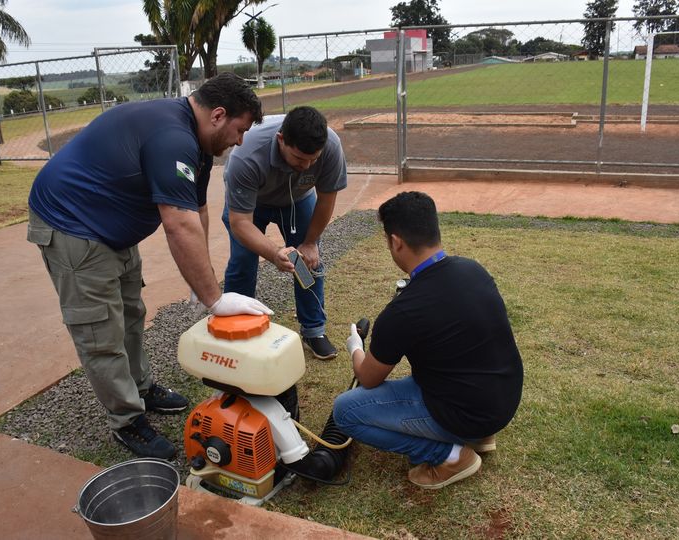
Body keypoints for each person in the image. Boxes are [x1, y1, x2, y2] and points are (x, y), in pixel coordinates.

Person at [27, 73, 273, 460]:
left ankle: (140, 386)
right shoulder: (173, 137)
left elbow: (197, 211)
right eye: (239, 130)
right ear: (218, 115)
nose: (240, 141)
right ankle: (127, 421)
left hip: (112, 226)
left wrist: (202, 280)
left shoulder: (198, 143)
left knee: (131, 313)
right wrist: (214, 299)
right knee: (100, 332)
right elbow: (177, 222)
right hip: (72, 224)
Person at [333, 191, 523, 489]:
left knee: (345, 411)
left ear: (396, 242)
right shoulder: (473, 270)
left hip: (464, 412)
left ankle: (450, 455)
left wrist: (355, 346)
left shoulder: (404, 310)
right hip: (502, 403)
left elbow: (368, 377)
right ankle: (479, 437)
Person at [222, 106, 347, 360]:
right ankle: (236, 330)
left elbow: (325, 200)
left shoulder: (331, 146)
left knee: (309, 262)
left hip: (298, 199)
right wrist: (275, 252)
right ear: (281, 140)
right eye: (300, 159)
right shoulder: (247, 156)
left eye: (313, 159)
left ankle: (314, 330)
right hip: (251, 205)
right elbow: (240, 223)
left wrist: (310, 242)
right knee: (243, 262)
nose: (307, 166)